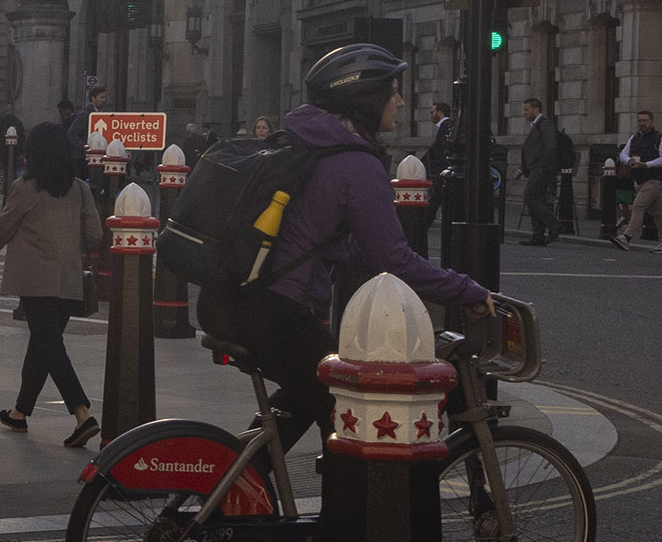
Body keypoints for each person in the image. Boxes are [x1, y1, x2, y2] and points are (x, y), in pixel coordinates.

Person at [227, 44, 489, 447]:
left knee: (301, 404)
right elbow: (393, 258)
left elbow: (332, 240)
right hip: (279, 310)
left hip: (246, 299)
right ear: (365, 100)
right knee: (356, 415)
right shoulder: (354, 163)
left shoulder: (306, 142)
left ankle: (230, 490)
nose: (400, 101)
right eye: (393, 91)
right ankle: (346, 510)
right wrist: (465, 288)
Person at [0, 123, 105, 446]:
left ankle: (82, 413)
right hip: (69, 281)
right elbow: (95, 235)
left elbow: (3, 227)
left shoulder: (25, 187)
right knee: (43, 345)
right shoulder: (79, 189)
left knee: (49, 346)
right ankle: (20, 413)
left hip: (35, 281)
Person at [518, 98, 568, 247]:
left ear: (536, 109)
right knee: (536, 199)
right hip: (536, 168)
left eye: (527, 110)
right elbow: (534, 149)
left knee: (530, 196)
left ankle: (555, 225)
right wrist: (523, 168)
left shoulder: (545, 124)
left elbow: (550, 147)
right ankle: (538, 236)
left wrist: (542, 167)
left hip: (542, 168)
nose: (524, 113)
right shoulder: (537, 125)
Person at [612, 111, 662, 248]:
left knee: (638, 206)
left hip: (654, 179)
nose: (642, 124)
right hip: (639, 180)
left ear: (652, 122)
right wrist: (629, 161)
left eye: (645, 120)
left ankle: (626, 237)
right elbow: (623, 154)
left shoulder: (659, 138)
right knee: (658, 212)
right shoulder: (634, 138)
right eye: (640, 121)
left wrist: (646, 164)